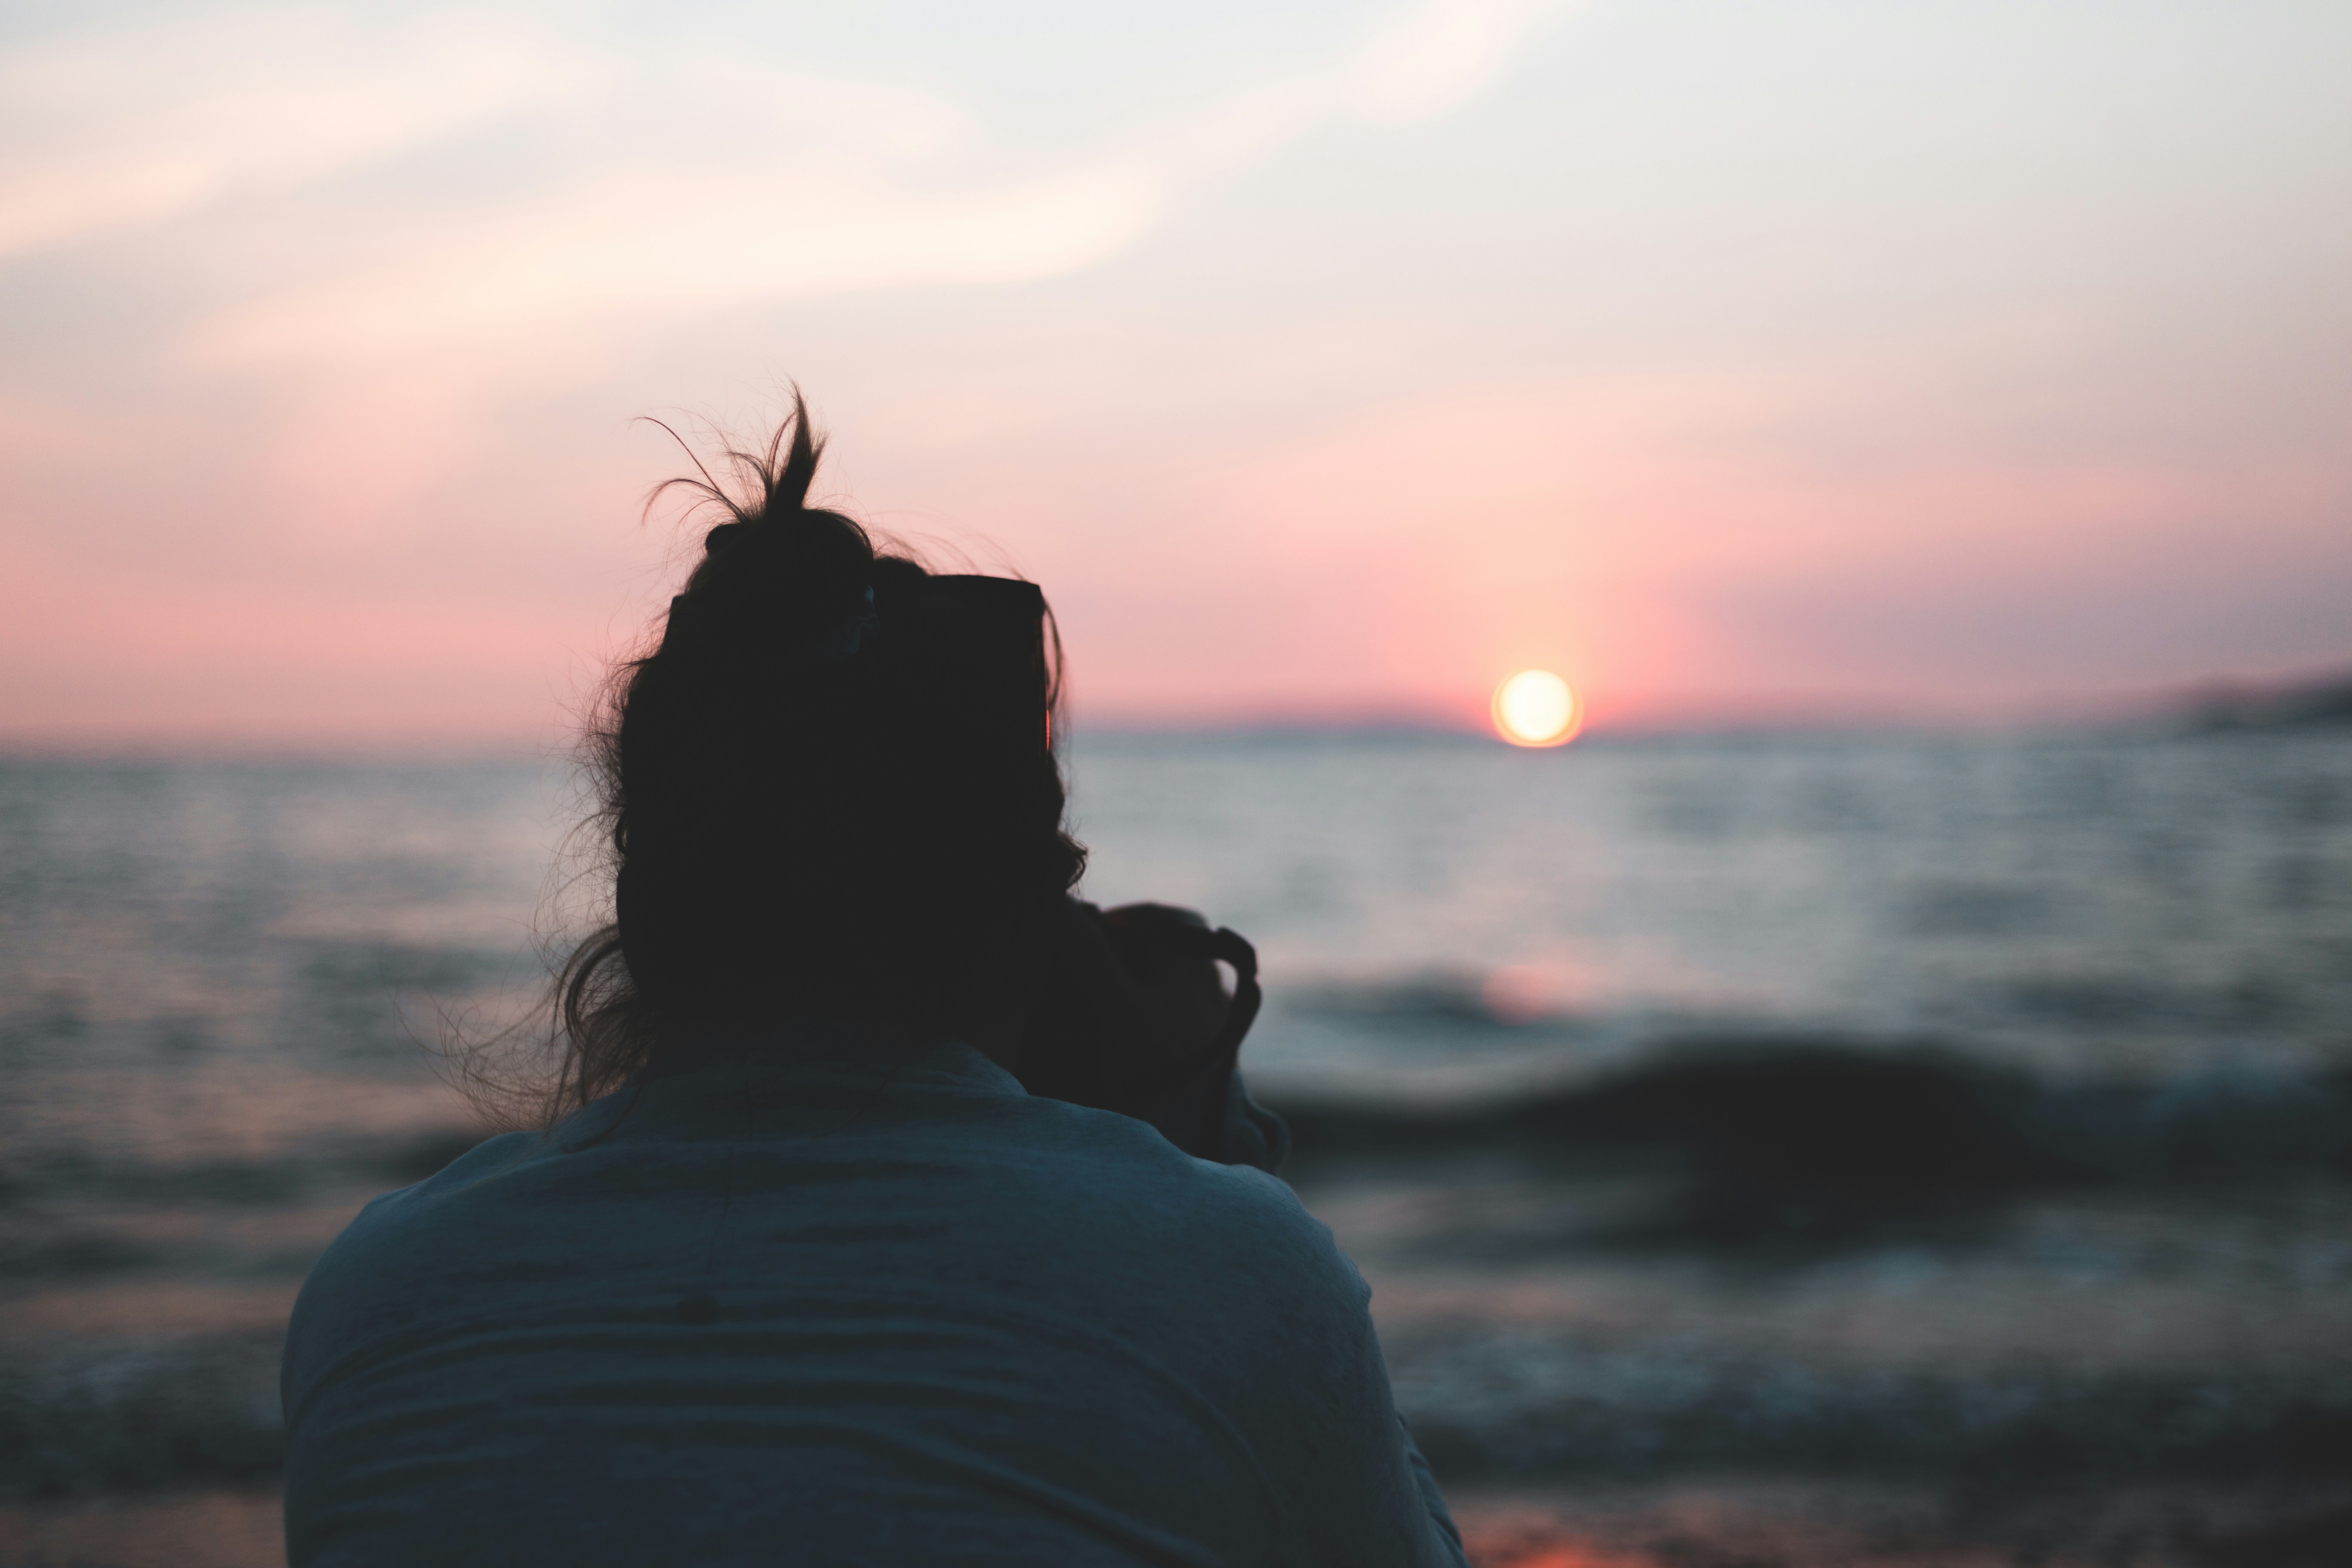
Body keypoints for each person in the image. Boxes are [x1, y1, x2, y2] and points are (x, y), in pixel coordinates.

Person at [278, 396, 1469, 1567]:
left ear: (645, 910)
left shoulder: (383, 1294)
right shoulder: (1225, 1272)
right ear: (1027, 917)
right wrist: (1199, 1152)